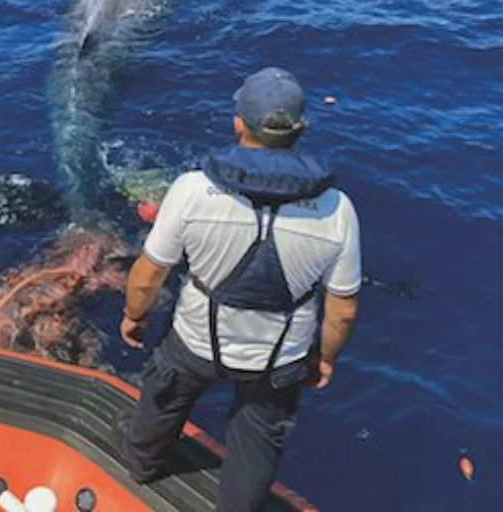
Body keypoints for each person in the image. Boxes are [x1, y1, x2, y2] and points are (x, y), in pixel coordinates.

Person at [119, 67, 361, 511]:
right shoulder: (337, 209)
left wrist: (135, 317)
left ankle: (141, 466)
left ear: (238, 123)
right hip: (279, 362)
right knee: (257, 445)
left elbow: (148, 274)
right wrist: (325, 358)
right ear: (301, 129)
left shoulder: (192, 190)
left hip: (194, 343)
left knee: (163, 403)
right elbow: (342, 308)